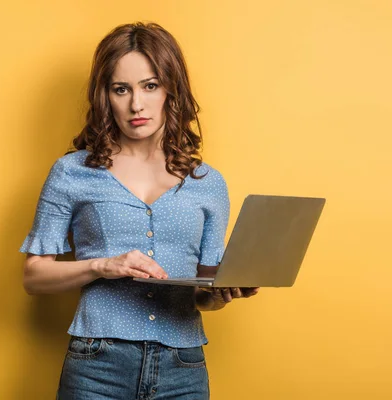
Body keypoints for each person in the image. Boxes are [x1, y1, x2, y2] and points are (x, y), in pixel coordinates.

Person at [20, 21, 259, 400]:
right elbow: (33, 278)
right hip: (96, 367)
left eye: (150, 86)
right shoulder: (71, 172)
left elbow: (204, 296)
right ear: (106, 96)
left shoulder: (208, 183)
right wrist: (102, 265)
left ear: (170, 91)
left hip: (183, 367)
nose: (136, 104)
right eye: (121, 89)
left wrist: (222, 292)